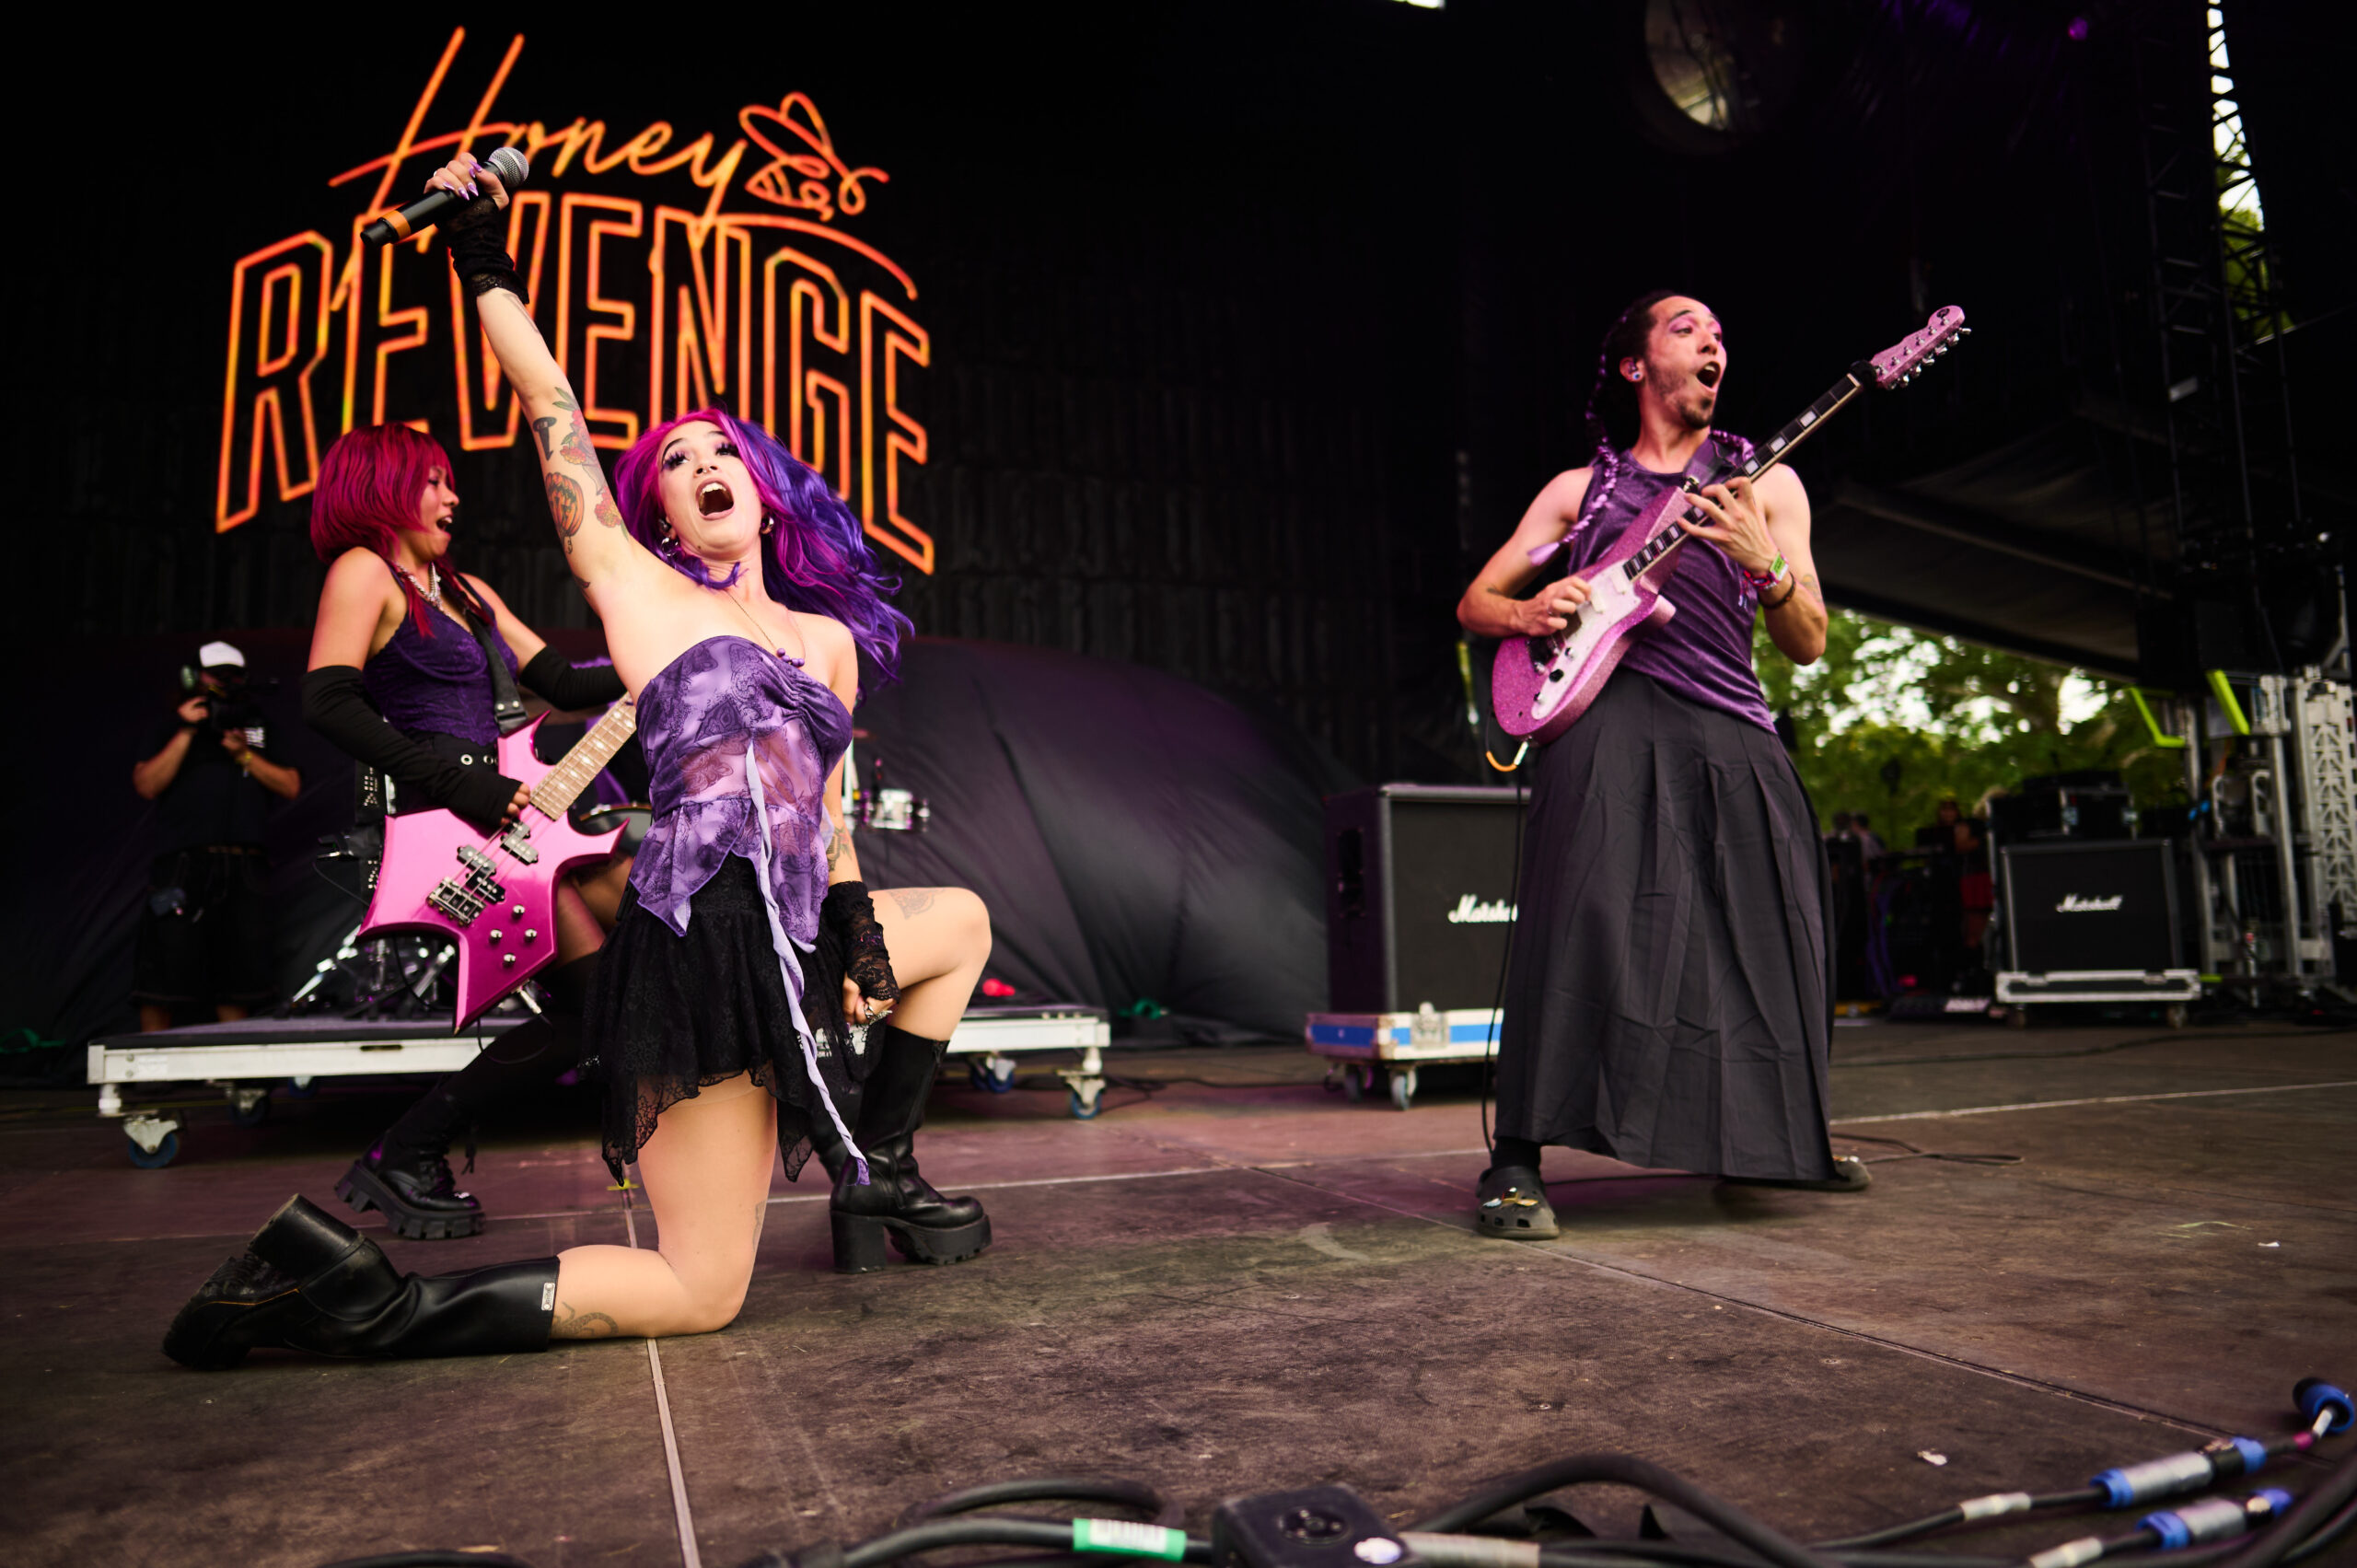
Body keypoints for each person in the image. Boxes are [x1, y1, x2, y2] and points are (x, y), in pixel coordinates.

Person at [165, 149, 993, 1369]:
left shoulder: (827, 643)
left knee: (959, 920)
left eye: (722, 450)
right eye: (677, 460)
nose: (703, 466)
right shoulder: (638, 589)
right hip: (704, 951)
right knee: (700, 1287)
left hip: (804, 934)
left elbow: (824, 815)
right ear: (657, 509)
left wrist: (860, 924)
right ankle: (354, 1297)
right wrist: (480, 252)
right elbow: (547, 395)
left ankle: (882, 1174)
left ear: (764, 487)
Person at [1455, 290, 1864, 1241]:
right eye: (1687, 327)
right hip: (1607, 720)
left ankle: (1776, 1139)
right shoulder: (1579, 493)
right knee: (1579, 926)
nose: (1712, 340)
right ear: (1636, 365)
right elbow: (1478, 599)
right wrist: (1528, 610)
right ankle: (1515, 1157)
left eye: (1720, 332)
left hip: (1731, 719)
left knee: (1771, 927)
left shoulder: (1768, 485)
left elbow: (1807, 640)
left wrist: (1765, 564)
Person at [299, 422, 633, 1242]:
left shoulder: (469, 591)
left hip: (512, 827)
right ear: (381, 485)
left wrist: (666, 661)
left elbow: (562, 682)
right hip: (448, 829)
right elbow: (327, 699)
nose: (454, 496)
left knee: (600, 1000)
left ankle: (408, 1150)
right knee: (595, 1002)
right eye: (434, 481)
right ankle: (406, 1151)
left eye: (451, 481)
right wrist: (460, 785)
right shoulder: (364, 571)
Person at [131, 642, 302, 1030]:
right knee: (164, 965)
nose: (224, 682)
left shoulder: (259, 726)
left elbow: (291, 785)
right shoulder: (170, 725)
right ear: (194, 676)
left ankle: (232, 1061)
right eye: (216, 674)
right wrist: (187, 730)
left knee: (239, 974)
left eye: (233, 675)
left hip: (245, 863)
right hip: (183, 862)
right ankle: (151, 1062)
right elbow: (146, 785)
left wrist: (244, 755)